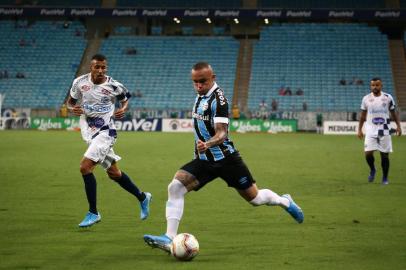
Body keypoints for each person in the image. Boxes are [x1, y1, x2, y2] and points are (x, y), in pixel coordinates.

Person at [143, 62, 303, 253]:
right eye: (195, 82)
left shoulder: (219, 101)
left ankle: (284, 201)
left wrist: (207, 144)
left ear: (213, 78)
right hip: (205, 161)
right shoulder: (200, 96)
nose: (199, 86)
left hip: (227, 160)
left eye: (202, 81)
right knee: (175, 187)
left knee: (255, 198)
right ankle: (169, 238)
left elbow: (222, 134)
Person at [66, 54, 152, 227]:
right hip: (89, 132)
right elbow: (70, 103)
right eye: (97, 66)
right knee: (114, 173)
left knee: (85, 167)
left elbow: (125, 98)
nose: (100, 70)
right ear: (91, 67)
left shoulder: (113, 85)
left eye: (103, 67)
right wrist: (72, 109)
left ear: (106, 68)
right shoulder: (79, 82)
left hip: (106, 132)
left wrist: (123, 109)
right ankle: (143, 197)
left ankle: (93, 212)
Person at [357, 77, 402, 185]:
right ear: (370, 86)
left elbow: (393, 113)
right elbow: (363, 116)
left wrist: (398, 126)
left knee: (384, 155)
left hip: (384, 129)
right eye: (373, 85)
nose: (375, 87)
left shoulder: (388, 97)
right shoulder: (366, 98)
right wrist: (359, 129)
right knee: (368, 154)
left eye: (377, 85)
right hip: (370, 129)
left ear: (381, 86)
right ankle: (373, 169)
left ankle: (385, 178)